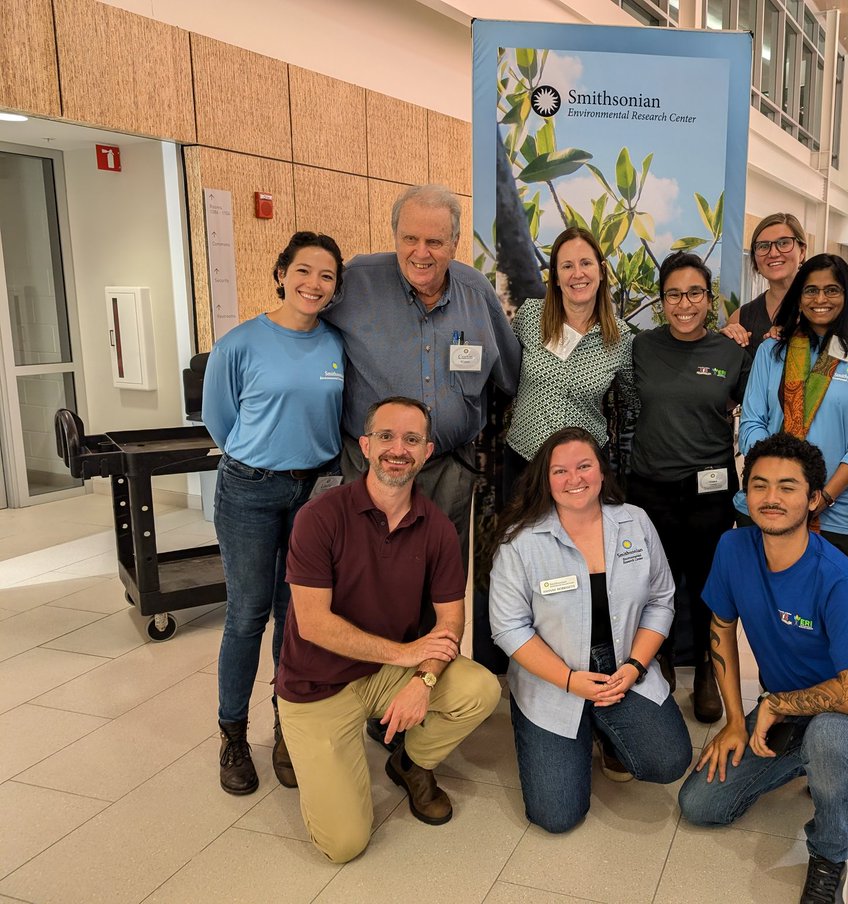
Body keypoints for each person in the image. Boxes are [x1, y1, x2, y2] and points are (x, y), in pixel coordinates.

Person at [275, 396, 501, 863]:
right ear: (364, 445)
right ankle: (306, 742)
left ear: (427, 452)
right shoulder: (319, 518)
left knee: (479, 688)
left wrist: (425, 680)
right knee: (344, 844)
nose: (398, 449)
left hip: (387, 672)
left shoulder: (436, 527)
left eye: (411, 440)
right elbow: (314, 624)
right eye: (386, 436)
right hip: (318, 684)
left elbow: (451, 624)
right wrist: (405, 657)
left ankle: (409, 762)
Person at [677, 433, 848, 904]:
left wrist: (776, 703)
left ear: (814, 499)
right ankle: (811, 759)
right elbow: (720, 628)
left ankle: (830, 856)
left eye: (787, 487)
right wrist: (736, 721)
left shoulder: (837, 578)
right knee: (700, 805)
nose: (771, 498)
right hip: (788, 710)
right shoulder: (734, 549)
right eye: (759, 485)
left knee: (832, 738)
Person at [489, 427, 692, 834]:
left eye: (584, 466)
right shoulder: (521, 542)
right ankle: (573, 726)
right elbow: (509, 629)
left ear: (602, 471)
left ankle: (603, 729)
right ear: (545, 480)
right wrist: (569, 680)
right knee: (557, 816)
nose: (574, 479)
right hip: (553, 675)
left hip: (622, 667)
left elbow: (660, 599)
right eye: (559, 471)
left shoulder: (635, 522)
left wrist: (635, 665)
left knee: (668, 760)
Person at [202, 231, 345, 796]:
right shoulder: (239, 343)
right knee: (247, 614)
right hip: (249, 489)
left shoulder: (336, 344)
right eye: (304, 271)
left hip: (313, 492)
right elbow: (220, 421)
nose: (314, 284)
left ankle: (289, 724)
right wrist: (262, 459)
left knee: (298, 617)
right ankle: (233, 733)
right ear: (281, 272)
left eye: (327, 276)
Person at [321, 183, 521, 569]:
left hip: (448, 473)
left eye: (435, 241)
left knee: (439, 585)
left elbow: (511, 375)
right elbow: (303, 327)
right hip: (370, 472)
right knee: (367, 581)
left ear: (456, 241)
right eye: (409, 238)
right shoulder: (357, 281)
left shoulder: (476, 293)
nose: (421, 253)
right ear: (394, 234)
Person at [626, 251, 751, 723]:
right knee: (649, 586)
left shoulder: (730, 352)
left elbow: (758, 408)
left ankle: (705, 671)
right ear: (661, 302)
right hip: (650, 490)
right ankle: (655, 662)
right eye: (674, 294)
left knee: (707, 589)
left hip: (710, 493)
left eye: (694, 293)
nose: (684, 303)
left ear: (709, 299)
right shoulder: (642, 347)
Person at [738, 254, 848, 564]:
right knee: (761, 605)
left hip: (834, 512)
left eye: (832, 290)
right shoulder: (772, 351)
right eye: (810, 290)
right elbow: (751, 425)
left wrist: (822, 496)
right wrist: (781, 488)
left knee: (825, 609)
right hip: (766, 504)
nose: (820, 299)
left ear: (847, 297)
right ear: (799, 297)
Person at [503, 226, 635, 500]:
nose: (578, 274)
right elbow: (505, 375)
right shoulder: (530, 317)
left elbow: (633, 403)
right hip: (525, 463)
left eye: (585, 263)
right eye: (567, 266)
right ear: (556, 277)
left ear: (601, 271)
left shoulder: (620, 337)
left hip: (583, 472)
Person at [721, 212, 806, 355]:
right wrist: (723, 340)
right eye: (763, 246)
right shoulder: (741, 317)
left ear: (802, 252)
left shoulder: (826, 308)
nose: (773, 253)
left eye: (784, 243)